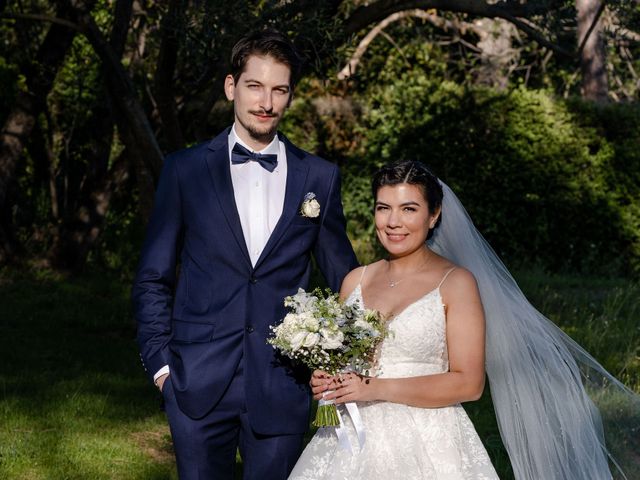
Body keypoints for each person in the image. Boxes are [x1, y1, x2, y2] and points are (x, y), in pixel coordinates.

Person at [290, 161, 639, 480]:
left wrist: (376, 388)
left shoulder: (455, 283)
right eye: (384, 208)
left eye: (409, 209)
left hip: (429, 443)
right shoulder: (356, 280)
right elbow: (339, 359)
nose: (393, 222)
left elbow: (469, 384)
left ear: (434, 215)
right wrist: (325, 379)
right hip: (349, 440)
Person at [132, 29, 358, 480]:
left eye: (279, 90)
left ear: (290, 96)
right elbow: (153, 278)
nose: (266, 102)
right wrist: (161, 367)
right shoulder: (185, 170)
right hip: (194, 383)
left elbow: (345, 280)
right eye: (255, 86)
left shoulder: (319, 176)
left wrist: (344, 355)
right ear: (231, 86)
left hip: (283, 383)